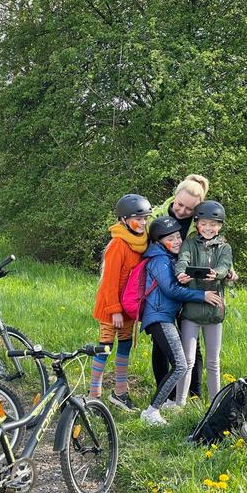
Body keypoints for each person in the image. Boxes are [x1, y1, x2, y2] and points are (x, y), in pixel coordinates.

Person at [139, 216, 223, 426]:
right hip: (159, 316)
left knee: (180, 363)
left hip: (164, 316)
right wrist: (202, 296)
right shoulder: (159, 260)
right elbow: (171, 290)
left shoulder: (169, 258)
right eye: (170, 238)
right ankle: (151, 411)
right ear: (158, 241)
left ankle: (166, 403)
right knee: (180, 365)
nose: (177, 241)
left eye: (178, 236)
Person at [89, 194, 152, 412]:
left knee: (125, 346)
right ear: (124, 219)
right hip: (111, 308)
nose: (142, 223)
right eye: (138, 219)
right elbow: (109, 282)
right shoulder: (118, 244)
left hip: (128, 308)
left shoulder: (142, 243)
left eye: (145, 219)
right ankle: (94, 395)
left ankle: (120, 392)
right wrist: (114, 310)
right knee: (105, 347)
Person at [149, 175, 210, 398]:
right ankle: (165, 393)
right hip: (161, 285)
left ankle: (193, 394)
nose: (182, 211)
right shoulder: (156, 216)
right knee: (161, 343)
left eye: (189, 209)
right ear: (174, 196)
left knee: (190, 339)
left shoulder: (200, 223)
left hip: (189, 284)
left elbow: (213, 247)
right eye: (179, 204)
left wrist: (227, 269)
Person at [174, 201, 233, 405]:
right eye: (204, 223)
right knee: (188, 361)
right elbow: (183, 260)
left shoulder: (224, 247)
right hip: (191, 313)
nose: (208, 228)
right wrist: (181, 273)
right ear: (197, 223)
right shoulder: (189, 243)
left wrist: (218, 273)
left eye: (213, 224)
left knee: (213, 362)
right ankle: (180, 403)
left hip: (214, 312)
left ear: (220, 226)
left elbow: (225, 266)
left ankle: (215, 404)